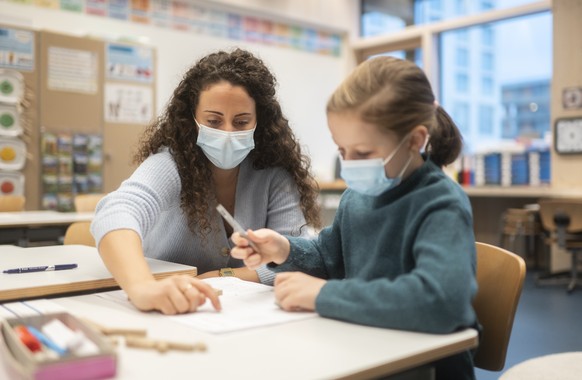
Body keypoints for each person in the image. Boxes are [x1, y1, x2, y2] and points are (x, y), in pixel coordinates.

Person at [231, 56, 478, 380]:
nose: (350, 165)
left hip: (424, 367)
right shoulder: (358, 198)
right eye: (342, 152)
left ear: (415, 141)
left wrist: (323, 295)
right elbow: (329, 257)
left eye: (362, 154)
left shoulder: (440, 204)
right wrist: (283, 250)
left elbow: (440, 302)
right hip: (365, 350)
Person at [91, 48, 321, 316]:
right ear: (193, 120)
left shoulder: (273, 174)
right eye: (213, 120)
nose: (227, 132)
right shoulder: (171, 165)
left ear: (260, 120)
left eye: (241, 121)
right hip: (170, 312)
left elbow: (292, 259)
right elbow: (116, 212)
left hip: (244, 316)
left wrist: (220, 276)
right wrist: (143, 287)